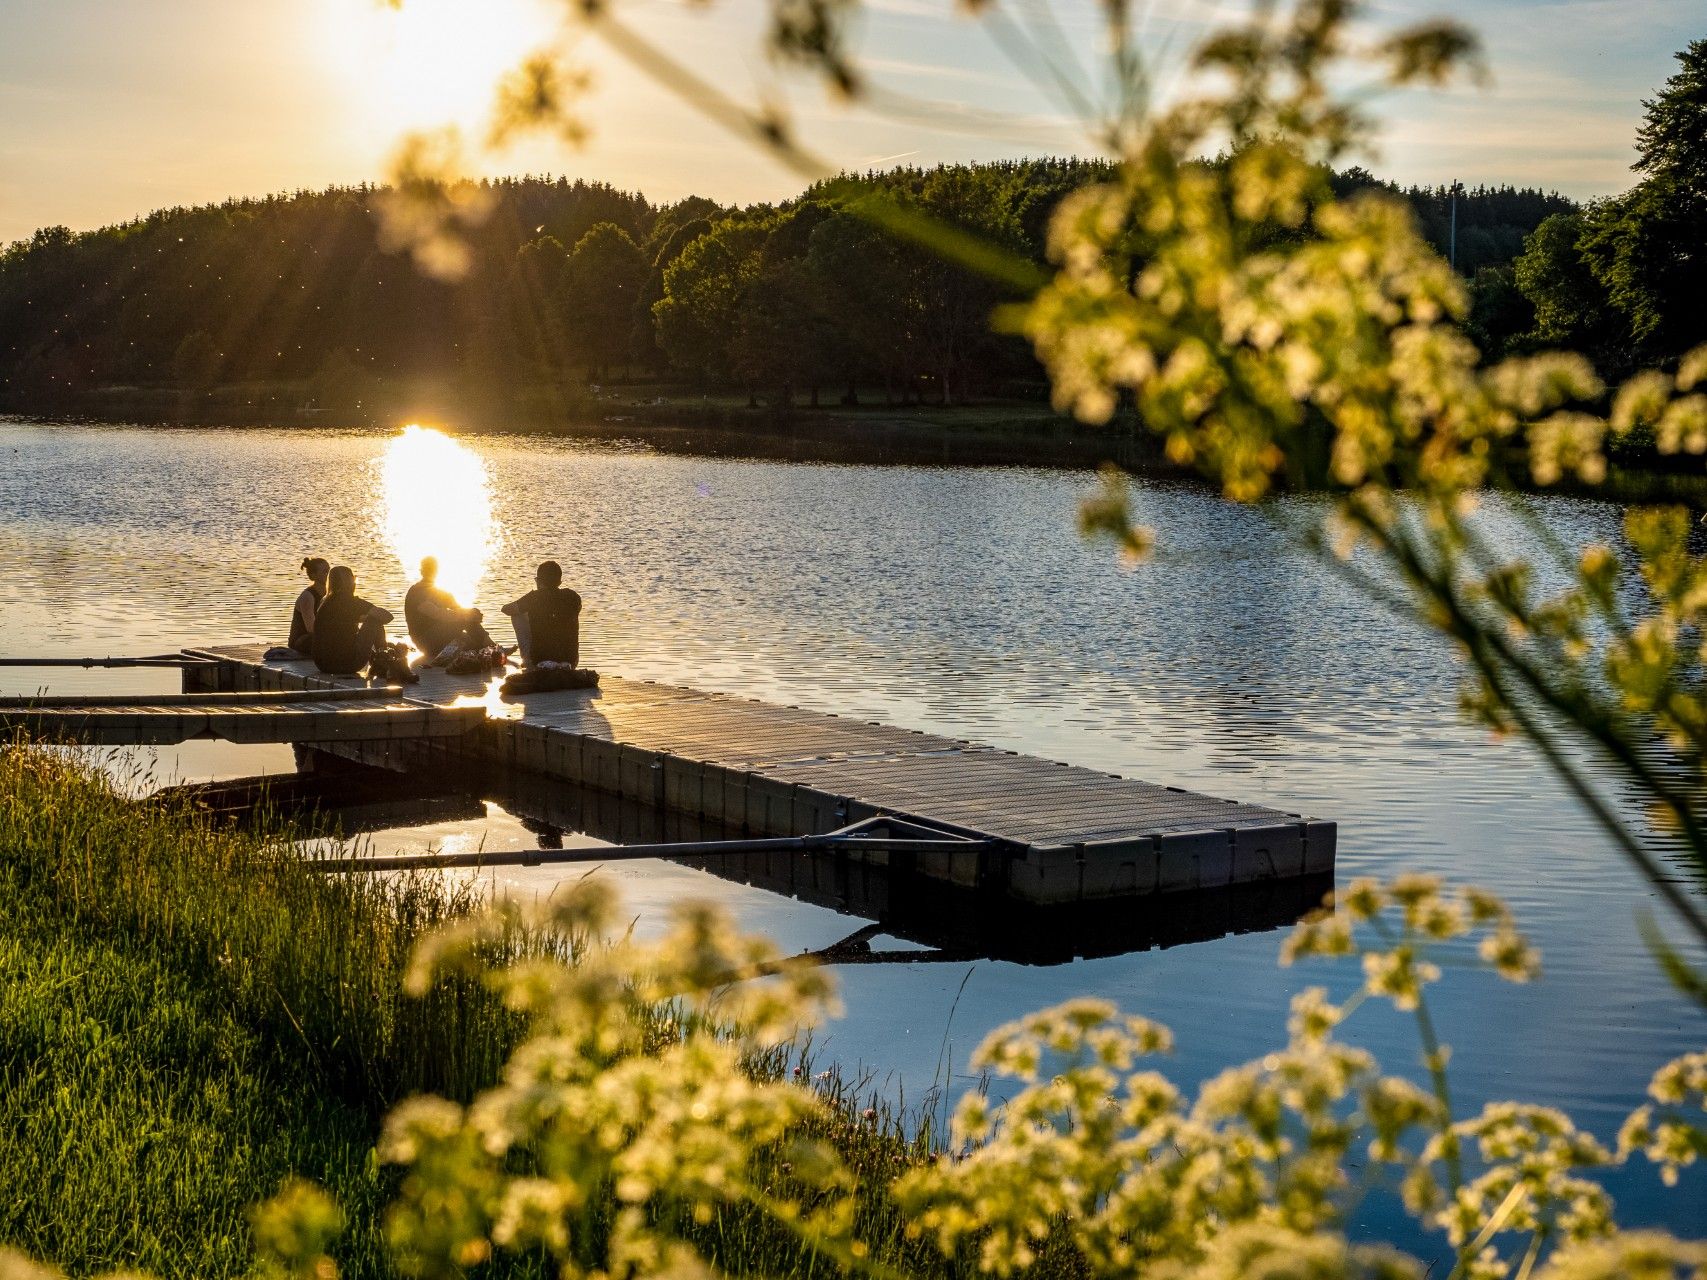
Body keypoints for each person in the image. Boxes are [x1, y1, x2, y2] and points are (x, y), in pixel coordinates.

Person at [312, 565, 395, 676]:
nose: (355, 581)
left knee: (371, 619)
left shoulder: (325, 602)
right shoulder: (351, 602)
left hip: (322, 665)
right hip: (347, 664)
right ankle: (383, 660)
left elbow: (340, 621)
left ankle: (380, 658)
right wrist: (369, 619)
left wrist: (360, 618)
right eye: (353, 578)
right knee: (374, 620)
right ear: (348, 581)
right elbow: (387, 617)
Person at [502, 560, 582, 668]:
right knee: (565, 614)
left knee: (517, 614)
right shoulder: (573, 597)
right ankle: (564, 659)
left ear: (539, 581)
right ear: (559, 582)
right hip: (570, 661)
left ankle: (528, 660)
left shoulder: (534, 597)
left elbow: (506, 609)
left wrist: (529, 609)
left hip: (540, 660)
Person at [403, 556, 480, 660]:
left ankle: (488, 647)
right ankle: (491, 646)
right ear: (422, 571)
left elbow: (457, 608)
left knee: (473, 641)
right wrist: (466, 615)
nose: (431, 572)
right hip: (424, 641)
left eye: (432, 569)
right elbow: (438, 614)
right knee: (465, 619)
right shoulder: (416, 592)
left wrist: (472, 614)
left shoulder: (441, 593)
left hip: (440, 636)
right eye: (428, 569)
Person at [287, 557, 330, 654]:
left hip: (321, 637)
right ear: (313, 575)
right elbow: (311, 629)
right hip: (302, 641)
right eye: (325, 572)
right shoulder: (308, 596)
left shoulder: (330, 595)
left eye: (329, 571)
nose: (329, 575)